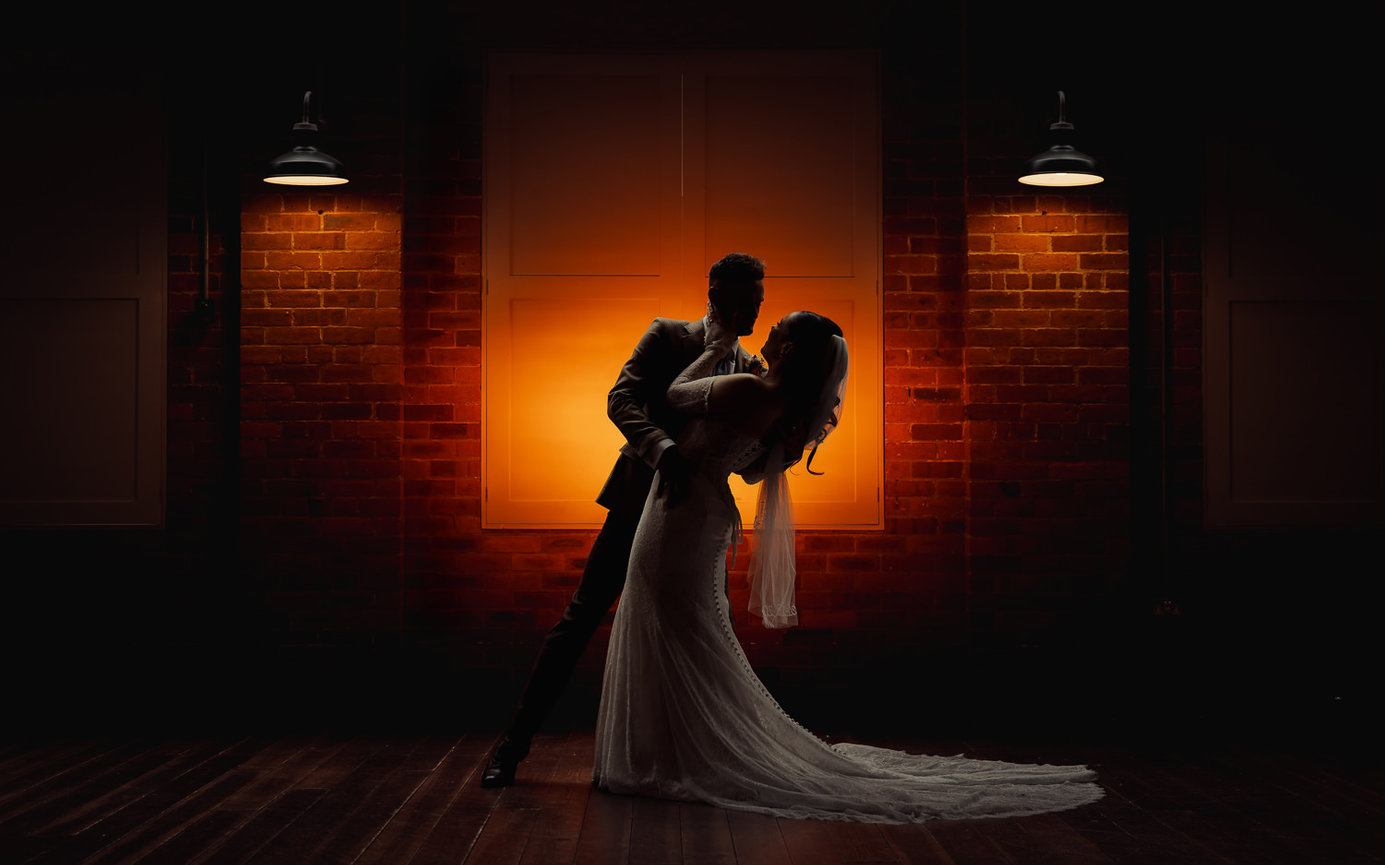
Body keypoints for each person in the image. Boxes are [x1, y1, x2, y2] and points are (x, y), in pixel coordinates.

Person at [592, 310, 1105, 822]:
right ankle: (677, 747)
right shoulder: (782, 405)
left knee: (671, 622)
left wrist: (714, 348)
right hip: (698, 510)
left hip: (681, 513)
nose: (767, 329)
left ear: (789, 349)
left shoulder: (751, 388)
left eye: (779, 328)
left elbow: (675, 396)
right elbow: (749, 471)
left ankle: (674, 754)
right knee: (685, 625)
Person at [481, 253, 768, 788]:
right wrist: (664, 451)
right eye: (745, 301)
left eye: (759, 302)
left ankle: (705, 761)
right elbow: (621, 398)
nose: (753, 312)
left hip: (696, 515)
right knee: (582, 617)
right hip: (640, 495)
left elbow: (746, 459)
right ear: (714, 291)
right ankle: (510, 748)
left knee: (709, 630)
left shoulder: (752, 368)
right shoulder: (666, 336)